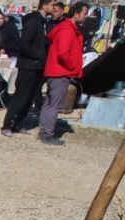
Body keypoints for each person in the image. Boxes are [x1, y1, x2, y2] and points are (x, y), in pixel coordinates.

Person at [1, 0, 54, 137]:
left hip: (38, 66)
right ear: (45, 5)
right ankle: (7, 124)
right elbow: (25, 43)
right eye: (52, 5)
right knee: (21, 96)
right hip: (28, 65)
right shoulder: (33, 21)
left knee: (30, 97)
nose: (54, 8)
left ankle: (18, 123)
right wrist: (39, 54)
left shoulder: (44, 22)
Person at [39, 1, 87, 145]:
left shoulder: (66, 28)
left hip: (55, 70)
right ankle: (48, 134)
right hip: (60, 71)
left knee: (49, 103)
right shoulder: (67, 30)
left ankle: (44, 131)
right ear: (76, 14)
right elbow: (63, 53)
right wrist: (73, 66)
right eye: (84, 14)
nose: (85, 17)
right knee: (54, 104)